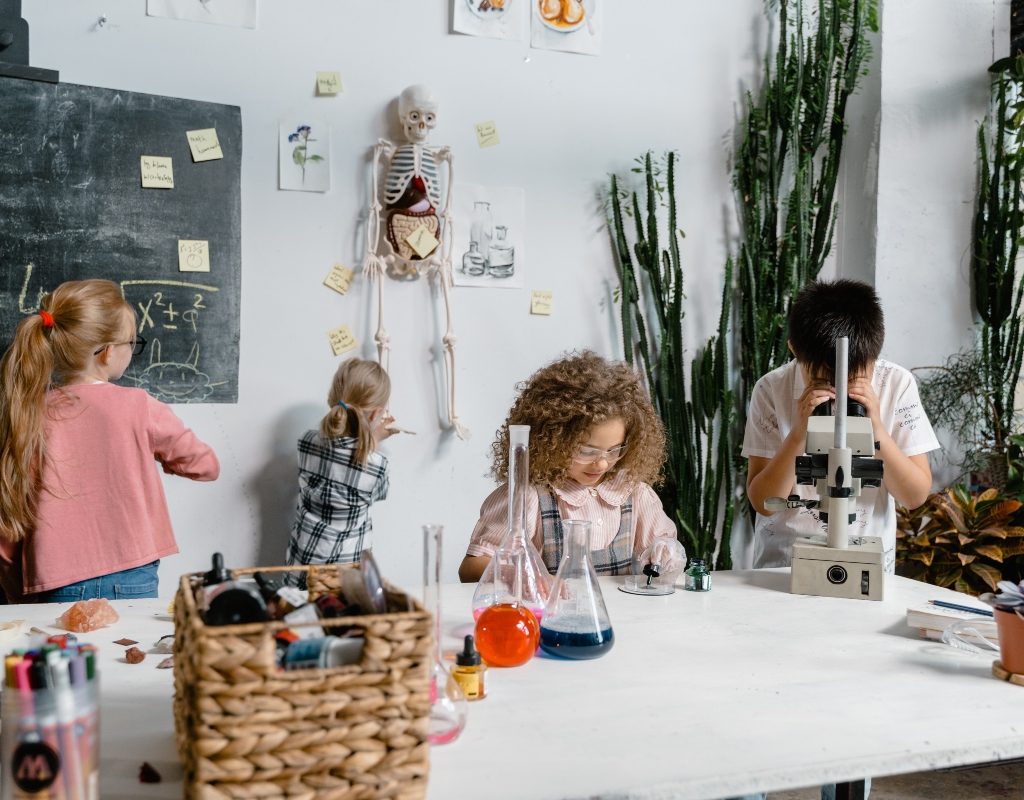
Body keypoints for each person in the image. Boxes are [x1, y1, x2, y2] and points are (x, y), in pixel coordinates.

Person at [0, 279, 220, 604]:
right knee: (129, 654)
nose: (133, 349)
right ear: (106, 352)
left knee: (69, 657)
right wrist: (160, 458)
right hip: (133, 573)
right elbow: (206, 466)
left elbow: (9, 515)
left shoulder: (29, 412)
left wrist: (14, 587)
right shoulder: (139, 406)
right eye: (132, 342)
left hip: (54, 580)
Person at [742, 278, 939, 576]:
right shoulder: (772, 388)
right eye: (823, 381)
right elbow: (764, 502)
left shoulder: (896, 384)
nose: (838, 391)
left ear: (875, 354)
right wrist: (798, 434)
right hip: (784, 563)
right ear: (795, 350)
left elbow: (914, 496)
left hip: (867, 564)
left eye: (852, 380)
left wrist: (877, 430)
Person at [459, 350, 679, 582]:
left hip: (622, 618)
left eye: (615, 450)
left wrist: (666, 552)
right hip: (550, 616)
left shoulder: (634, 494)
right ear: (553, 442)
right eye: (586, 451)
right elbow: (472, 568)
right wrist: (528, 578)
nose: (602, 463)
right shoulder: (529, 497)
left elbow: (666, 551)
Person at [286, 357, 397, 571]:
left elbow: (337, 458)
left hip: (300, 565)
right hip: (344, 575)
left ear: (332, 398)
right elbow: (380, 493)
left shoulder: (306, 441)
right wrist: (373, 441)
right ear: (376, 413)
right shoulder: (377, 464)